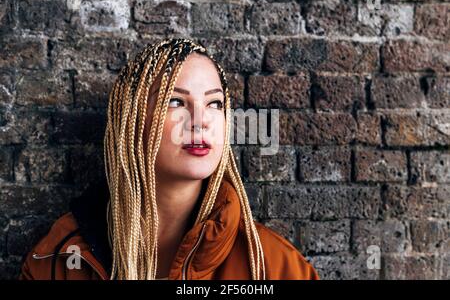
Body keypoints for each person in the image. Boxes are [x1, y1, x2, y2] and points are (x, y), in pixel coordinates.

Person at [19, 38, 319, 280]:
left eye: (214, 103)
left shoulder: (275, 267)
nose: (201, 121)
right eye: (176, 101)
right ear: (134, 120)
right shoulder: (55, 261)